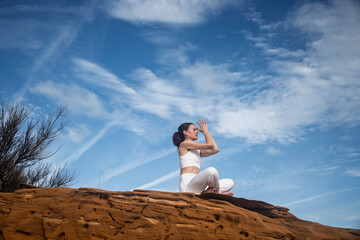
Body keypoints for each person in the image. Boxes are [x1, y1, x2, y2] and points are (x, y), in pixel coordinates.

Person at [173, 119, 234, 195]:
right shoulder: (184, 144)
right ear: (185, 132)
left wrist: (207, 131)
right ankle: (217, 194)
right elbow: (209, 144)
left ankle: (209, 193)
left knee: (230, 182)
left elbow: (215, 149)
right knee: (211, 171)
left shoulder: (197, 150)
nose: (197, 131)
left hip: (198, 183)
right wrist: (205, 131)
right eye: (194, 130)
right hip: (188, 185)